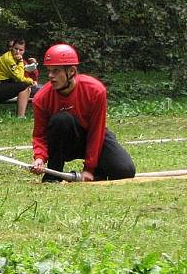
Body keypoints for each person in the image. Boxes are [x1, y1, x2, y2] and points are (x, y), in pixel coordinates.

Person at [30, 43, 135, 182]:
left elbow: (97, 131)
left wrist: (89, 169)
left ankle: (95, 174)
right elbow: (40, 134)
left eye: (56, 71)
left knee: (125, 170)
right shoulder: (41, 98)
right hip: (65, 141)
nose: (50, 76)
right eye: (49, 71)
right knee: (61, 120)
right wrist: (40, 157)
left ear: (71, 71)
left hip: (92, 136)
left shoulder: (95, 91)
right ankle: (53, 175)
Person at [0, 39, 38, 117]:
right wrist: (30, 81)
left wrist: (33, 65)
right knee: (25, 86)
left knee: (32, 88)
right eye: (16, 49)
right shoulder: (9, 59)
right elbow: (20, 78)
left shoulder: (15, 59)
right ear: (12, 48)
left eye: (21, 50)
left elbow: (28, 75)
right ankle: (20, 117)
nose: (18, 52)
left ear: (24, 51)